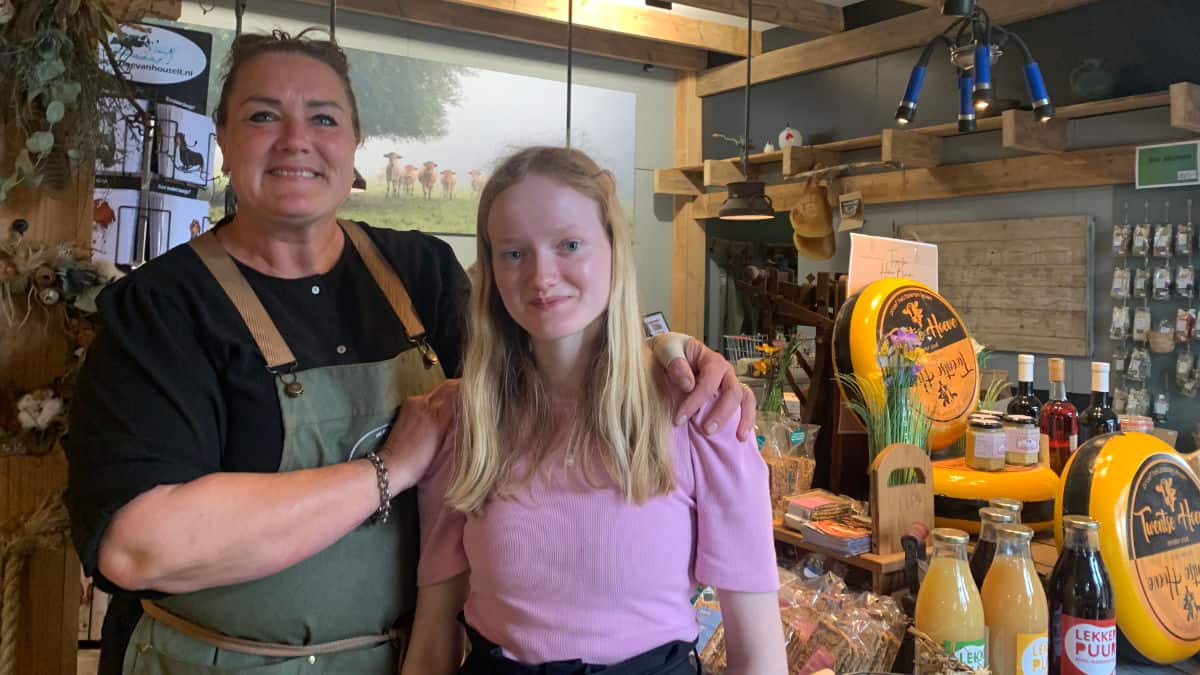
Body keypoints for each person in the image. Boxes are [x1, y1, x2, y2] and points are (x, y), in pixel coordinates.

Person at [63, 30, 754, 675]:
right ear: (221, 139)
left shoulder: (417, 271)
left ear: (355, 142)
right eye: (263, 115)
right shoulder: (161, 308)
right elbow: (137, 545)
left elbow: (541, 350)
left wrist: (665, 353)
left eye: (324, 118)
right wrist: (387, 470)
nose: (297, 140)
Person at [405, 147, 788, 675]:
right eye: (513, 253)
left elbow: (759, 656)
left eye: (569, 245)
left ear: (613, 250)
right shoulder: (464, 420)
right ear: (490, 271)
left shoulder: (703, 415)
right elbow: (432, 640)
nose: (541, 276)